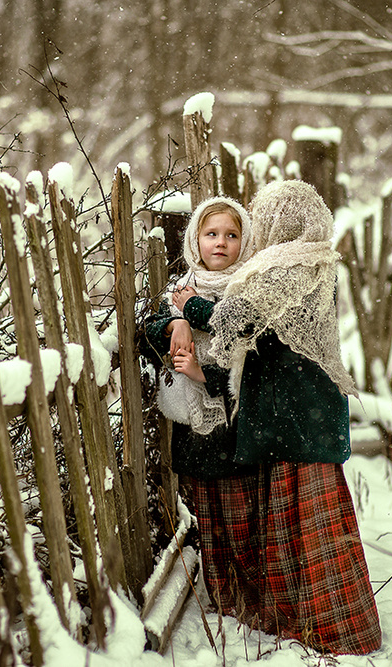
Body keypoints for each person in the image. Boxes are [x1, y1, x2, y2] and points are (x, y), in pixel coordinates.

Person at [172, 180, 382, 655]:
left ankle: (332, 629)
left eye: (264, 219)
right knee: (304, 532)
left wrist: (189, 307)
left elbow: (238, 320)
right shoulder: (311, 262)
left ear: (280, 223)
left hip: (298, 423)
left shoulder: (292, 267)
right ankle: (314, 622)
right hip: (301, 420)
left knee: (307, 532)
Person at [141, 196, 260, 605]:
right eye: (211, 234)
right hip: (193, 430)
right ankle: (223, 597)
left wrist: (201, 373)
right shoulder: (181, 289)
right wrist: (176, 320)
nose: (220, 243)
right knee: (207, 517)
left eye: (231, 235)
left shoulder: (247, 291)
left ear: (245, 242)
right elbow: (146, 332)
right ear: (196, 239)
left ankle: (250, 597)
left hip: (235, 427)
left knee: (242, 516)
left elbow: (252, 366)